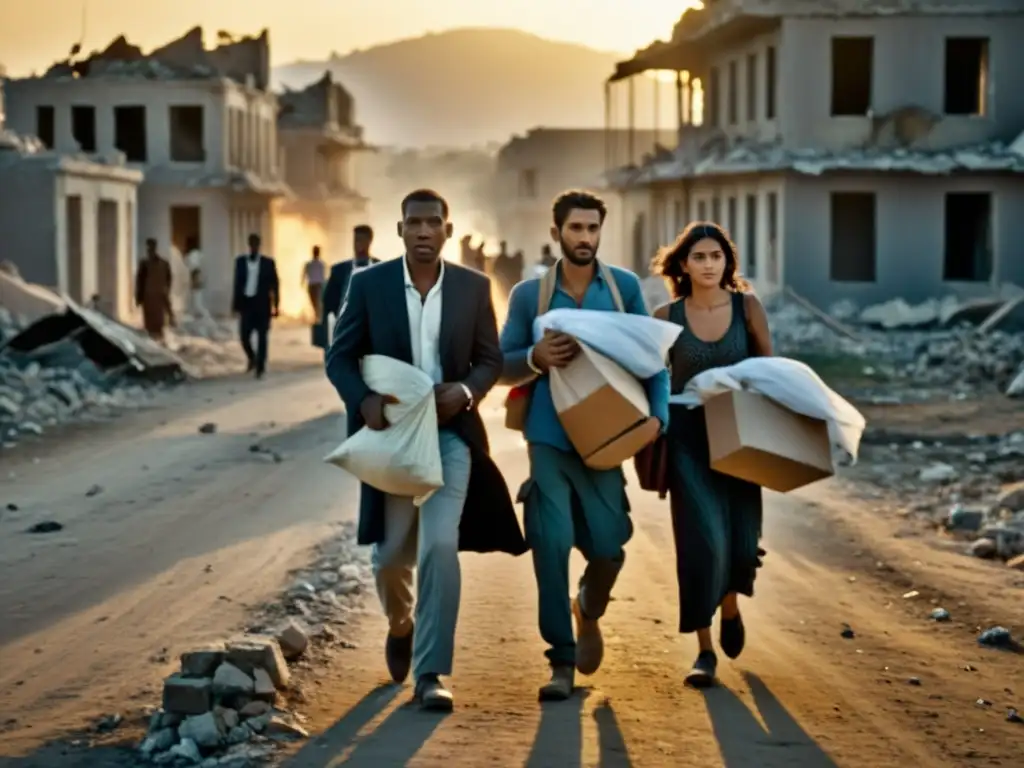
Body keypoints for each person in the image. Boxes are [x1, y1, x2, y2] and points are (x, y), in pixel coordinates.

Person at [325, 189, 527, 711]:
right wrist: (363, 399)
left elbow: (489, 359)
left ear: (447, 231)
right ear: (399, 230)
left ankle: (432, 671)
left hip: (452, 435)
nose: (422, 231)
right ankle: (401, 623)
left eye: (432, 223)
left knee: (439, 546)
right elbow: (340, 357)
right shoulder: (368, 285)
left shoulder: (473, 287)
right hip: (392, 436)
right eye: (413, 223)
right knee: (393, 558)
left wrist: (465, 391)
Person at [499, 189, 670, 701]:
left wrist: (658, 417)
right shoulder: (529, 295)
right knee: (549, 546)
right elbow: (498, 364)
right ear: (557, 234)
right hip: (548, 438)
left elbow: (652, 359)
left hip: (607, 441)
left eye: (593, 229)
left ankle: (587, 610)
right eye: (576, 229)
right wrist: (534, 355)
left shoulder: (622, 290)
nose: (585, 238)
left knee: (608, 547)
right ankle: (561, 661)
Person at [650, 221, 772, 688]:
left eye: (715, 256)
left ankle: (731, 606)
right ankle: (703, 650)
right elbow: (651, 377)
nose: (707, 264)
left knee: (741, 540)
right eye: (698, 257)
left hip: (742, 434)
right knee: (702, 541)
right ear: (683, 264)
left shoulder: (749, 308)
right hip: (686, 436)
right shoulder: (667, 316)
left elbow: (769, 371)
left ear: (728, 262)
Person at [317, 226, 378, 350]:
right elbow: (328, 304)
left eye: (362, 240)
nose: (358, 245)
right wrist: (327, 338)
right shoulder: (339, 271)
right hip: (345, 332)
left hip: (372, 332)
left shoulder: (381, 268)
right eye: (356, 240)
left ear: (369, 241)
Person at [231, 233, 280, 379]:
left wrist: (276, 305)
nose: (254, 247)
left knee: (262, 337)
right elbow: (237, 284)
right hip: (247, 304)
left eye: (256, 244)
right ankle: (252, 357)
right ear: (249, 245)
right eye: (251, 244)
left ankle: (260, 367)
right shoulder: (240, 262)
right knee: (244, 336)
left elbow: (275, 285)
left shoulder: (268, 263)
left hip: (263, 304)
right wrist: (234, 305)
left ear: (259, 245)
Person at [135, 238, 174, 341]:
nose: (149, 249)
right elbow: (140, 281)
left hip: (157, 295)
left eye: (151, 246)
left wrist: (165, 291)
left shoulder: (163, 264)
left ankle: (159, 339)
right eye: (148, 247)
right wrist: (139, 297)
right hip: (149, 297)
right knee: (150, 321)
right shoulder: (145, 264)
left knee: (159, 320)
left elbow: (168, 279)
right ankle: (153, 339)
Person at [183, 237, 213, 325]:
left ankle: (205, 321)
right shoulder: (200, 254)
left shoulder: (193, 255)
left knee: (197, 305)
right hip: (199, 283)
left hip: (196, 284)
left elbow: (195, 270)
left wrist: (194, 282)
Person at [302, 246, 327, 322]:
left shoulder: (310, 264)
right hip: (318, 285)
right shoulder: (321, 264)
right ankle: (318, 317)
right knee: (317, 302)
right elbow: (323, 275)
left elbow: (304, 274)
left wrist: (302, 282)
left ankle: (318, 318)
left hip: (313, 286)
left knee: (315, 303)